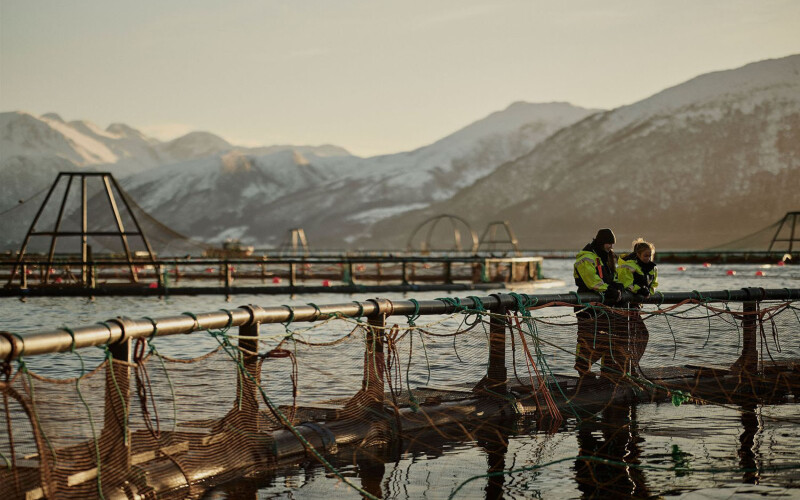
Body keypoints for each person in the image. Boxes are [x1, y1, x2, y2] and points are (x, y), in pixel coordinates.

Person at [573, 228, 626, 377]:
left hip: (604, 304)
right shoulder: (586, 257)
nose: (611, 246)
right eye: (609, 243)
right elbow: (591, 281)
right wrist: (608, 289)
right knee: (586, 337)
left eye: (612, 244)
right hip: (587, 304)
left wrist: (617, 286)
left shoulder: (607, 257)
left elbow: (611, 277)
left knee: (608, 336)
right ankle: (583, 368)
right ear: (601, 242)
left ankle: (607, 367)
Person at [617, 238, 658, 376]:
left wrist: (648, 292)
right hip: (623, 307)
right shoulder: (627, 266)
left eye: (650, 255)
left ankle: (631, 365)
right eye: (645, 255)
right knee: (634, 336)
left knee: (639, 336)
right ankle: (626, 368)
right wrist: (639, 290)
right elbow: (625, 283)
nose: (648, 258)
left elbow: (654, 285)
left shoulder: (652, 268)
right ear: (638, 255)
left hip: (635, 307)